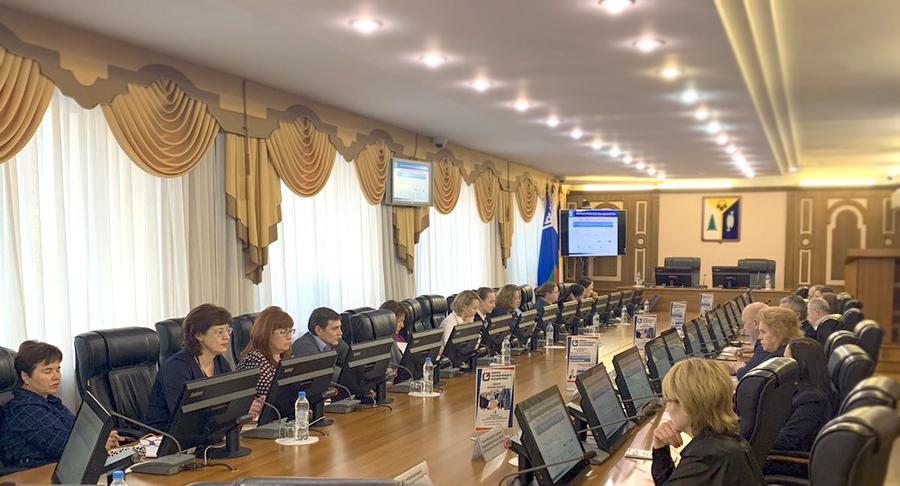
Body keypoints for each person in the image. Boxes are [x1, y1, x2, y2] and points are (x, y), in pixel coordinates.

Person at [0, 341, 122, 469]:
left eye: (58, 370)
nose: (56, 377)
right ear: (25, 376)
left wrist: (101, 437)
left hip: (65, 467)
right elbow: (64, 449)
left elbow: (77, 432)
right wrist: (99, 443)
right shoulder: (25, 410)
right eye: (48, 371)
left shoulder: (49, 400)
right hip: (37, 473)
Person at [147, 304, 261, 430]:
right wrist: (235, 410)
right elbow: (184, 416)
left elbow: (230, 398)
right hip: (166, 435)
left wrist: (244, 405)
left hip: (209, 432)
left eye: (227, 330)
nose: (227, 337)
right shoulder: (176, 367)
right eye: (220, 332)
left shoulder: (219, 361)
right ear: (199, 335)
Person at [652, 359, 764, 485]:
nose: (667, 409)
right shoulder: (720, 440)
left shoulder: (705, 460)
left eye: (667, 401)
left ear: (687, 405)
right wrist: (660, 447)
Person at [764, 338, 833, 476]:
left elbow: (785, 441)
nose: (782, 366)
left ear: (801, 365)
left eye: (786, 361)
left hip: (788, 462)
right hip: (781, 454)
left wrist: (752, 439)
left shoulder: (813, 401)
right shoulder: (803, 389)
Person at [236, 306, 294, 400]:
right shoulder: (255, 360)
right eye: (283, 332)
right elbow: (274, 395)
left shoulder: (285, 357)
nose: (289, 337)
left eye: (290, 331)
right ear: (266, 333)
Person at [735, 306, 801, 379]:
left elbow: (749, 378)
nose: (759, 337)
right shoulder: (792, 349)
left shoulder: (778, 360)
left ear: (779, 333)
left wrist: (738, 368)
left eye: (763, 332)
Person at [292, 307, 350, 383]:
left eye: (340, 327)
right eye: (335, 328)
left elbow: (351, 363)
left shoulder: (335, 341)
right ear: (318, 330)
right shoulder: (303, 347)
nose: (340, 333)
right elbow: (323, 377)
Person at [378, 300, 409, 378]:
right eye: (399, 321)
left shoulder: (394, 338)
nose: (402, 325)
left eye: (403, 321)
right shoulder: (382, 342)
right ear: (389, 320)